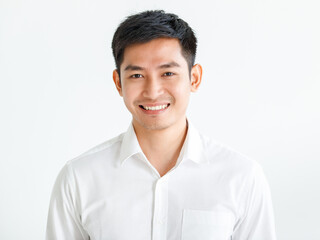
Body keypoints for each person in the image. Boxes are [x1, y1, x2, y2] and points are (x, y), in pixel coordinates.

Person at [46, 10, 277, 240]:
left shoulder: (242, 178)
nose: (153, 91)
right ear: (118, 83)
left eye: (168, 73)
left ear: (194, 78)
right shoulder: (79, 179)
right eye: (137, 76)